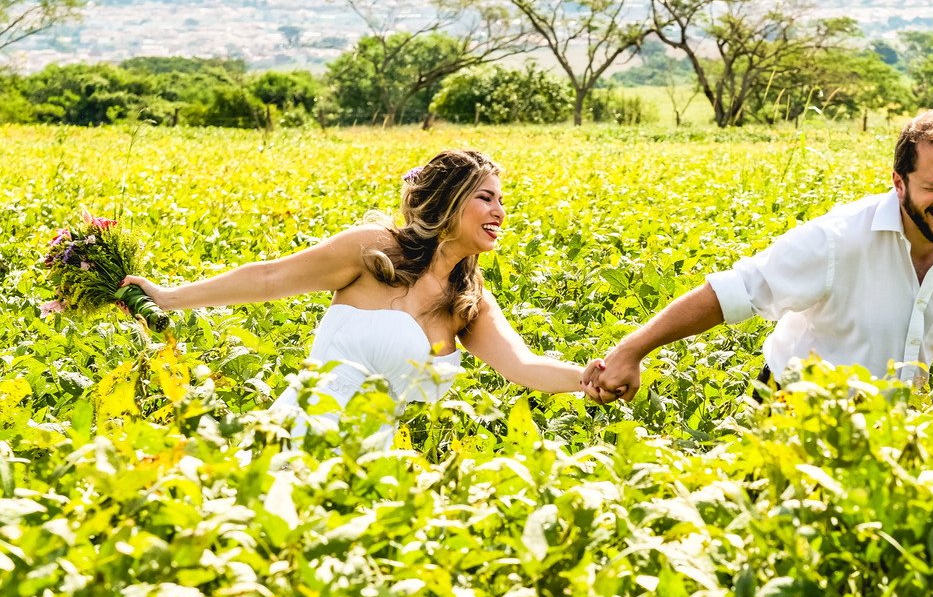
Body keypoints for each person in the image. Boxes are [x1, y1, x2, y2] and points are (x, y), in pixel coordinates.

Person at [120, 149, 604, 434]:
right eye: (485, 198)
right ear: (449, 202)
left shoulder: (467, 296)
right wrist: (167, 297)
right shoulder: (375, 252)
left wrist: (591, 380)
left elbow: (522, 366)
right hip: (295, 442)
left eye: (503, 201)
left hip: (366, 474)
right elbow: (268, 278)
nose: (500, 212)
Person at [582, 110, 933, 403]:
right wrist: (632, 350)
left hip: (891, 424)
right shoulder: (838, 238)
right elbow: (735, 293)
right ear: (899, 182)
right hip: (791, 407)